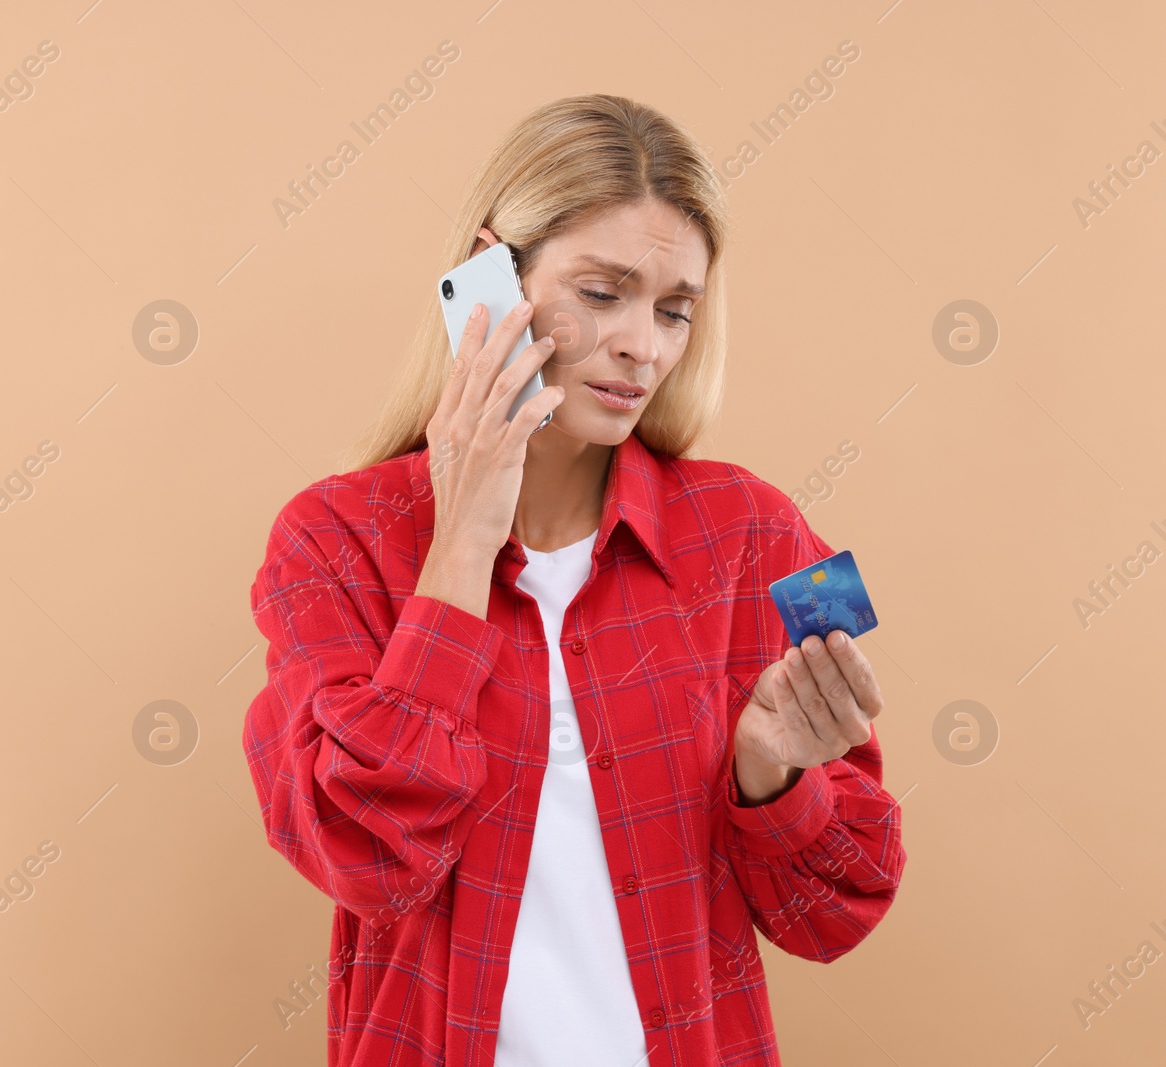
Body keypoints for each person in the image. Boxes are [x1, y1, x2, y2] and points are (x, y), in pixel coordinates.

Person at [242, 93, 905, 1067]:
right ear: (483, 277)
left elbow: (847, 903)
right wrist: (465, 526)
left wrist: (774, 773)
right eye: (602, 293)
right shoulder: (327, 538)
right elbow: (362, 857)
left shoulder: (773, 532)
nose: (644, 345)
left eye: (674, 309)